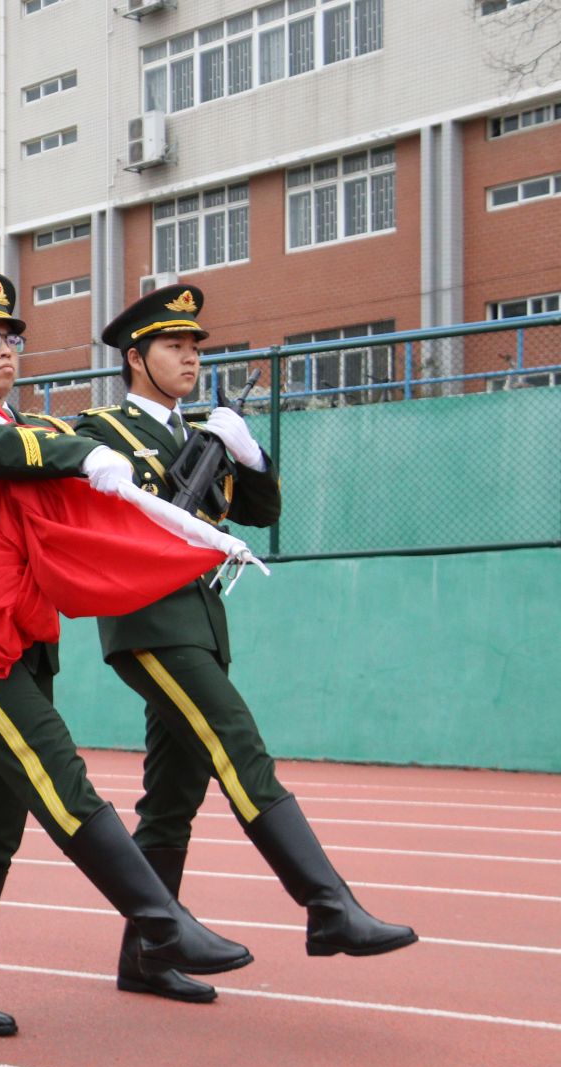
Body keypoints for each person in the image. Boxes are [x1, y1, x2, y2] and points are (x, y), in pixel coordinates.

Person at [0, 273, 255, 1035]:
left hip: (23, 627)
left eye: (12, 337)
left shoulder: (22, 423)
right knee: (57, 773)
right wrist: (75, 449)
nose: (7, 349)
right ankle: (160, 919)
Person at [77, 284, 415, 999]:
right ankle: (328, 905)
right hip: (148, 622)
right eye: (173, 346)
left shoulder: (202, 432)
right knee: (238, 745)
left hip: (200, 622)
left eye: (195, 348)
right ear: (135, 357)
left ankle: (145, 956)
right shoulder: (101, 430)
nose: (190, 359)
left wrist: (250, 453)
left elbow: (260, 512)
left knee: (174, 793)